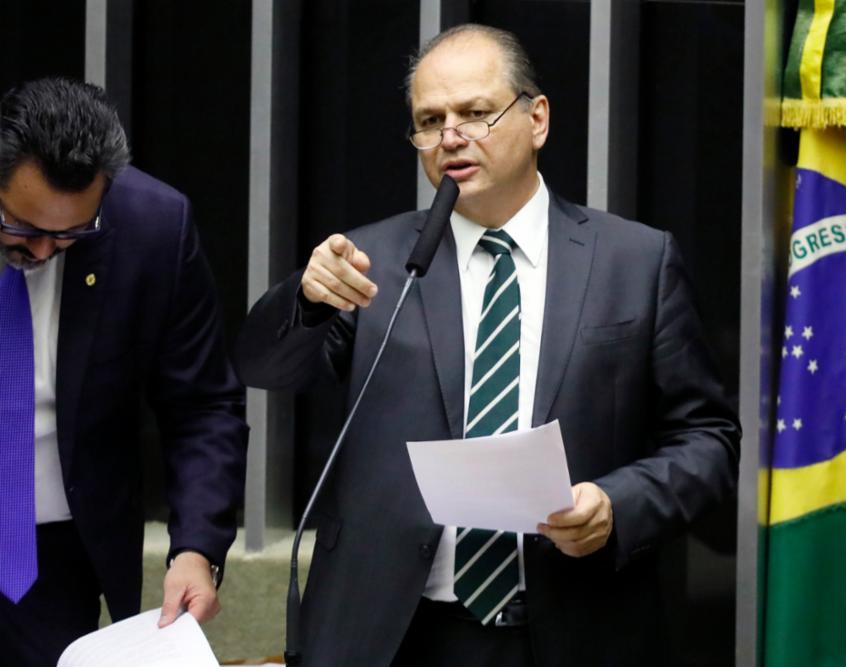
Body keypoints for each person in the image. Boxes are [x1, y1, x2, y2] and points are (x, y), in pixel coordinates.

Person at [235, 24, 739, 667]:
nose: (450, 136)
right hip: (391, 630)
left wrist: (618, 506)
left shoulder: (634, 261)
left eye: (475, 113)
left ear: (538, 119)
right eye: (429, 119)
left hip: (572, 624)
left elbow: (709, 439)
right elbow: (263, 366)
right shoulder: (374, 262)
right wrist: (307, 300)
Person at [0, 78, 248, 665]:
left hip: (47, 554)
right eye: (22, 229)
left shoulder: (153, 228)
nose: (41, 253)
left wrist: (195, 548)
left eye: (68, 235)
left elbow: (202, 405)